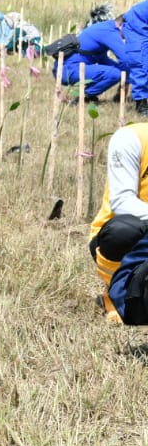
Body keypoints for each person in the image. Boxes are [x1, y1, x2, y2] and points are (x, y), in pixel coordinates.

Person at [89, 121, 148, 322]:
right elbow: (122, 201)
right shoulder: (131, 138)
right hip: (131, 233)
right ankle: (118, 292)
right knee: (123, 231)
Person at [52, 15, 131, 102]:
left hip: (64, 69)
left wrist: (126, 73)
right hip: (69, 70)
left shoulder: (104, 27)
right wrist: (127, 80)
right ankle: (84, 97)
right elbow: (126, 59)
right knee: (116, 73)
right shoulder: (110, 32)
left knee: (117, 71)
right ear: (121, 26)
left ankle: (87, 95)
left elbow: (103, 59)